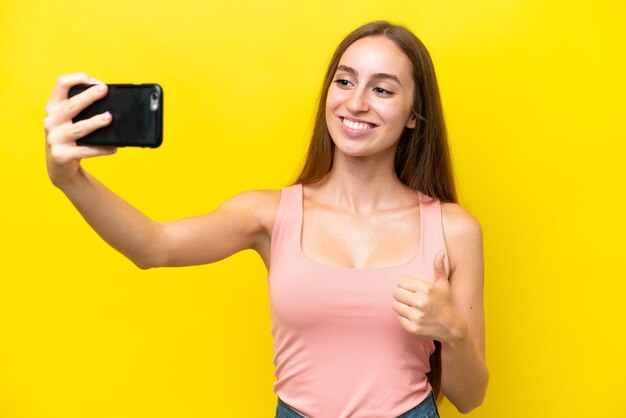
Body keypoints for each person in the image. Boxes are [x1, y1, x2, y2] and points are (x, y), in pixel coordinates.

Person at [44, 20, 488, 418]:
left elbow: (469, 397)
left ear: (413, 114)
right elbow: (154, 246)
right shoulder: (269, 214)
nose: (356, 102)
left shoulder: (453, 229)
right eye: (344, 81)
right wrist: (69, 179)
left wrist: (452, 331)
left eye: (383, 89)